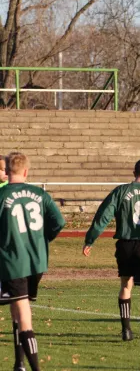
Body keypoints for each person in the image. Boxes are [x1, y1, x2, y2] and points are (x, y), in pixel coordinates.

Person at [82, 159, 140, 348]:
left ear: (134, 172)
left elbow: (103, 215)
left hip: (125, 244)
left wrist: (90, 239)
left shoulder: (121, 191)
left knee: (126, 286)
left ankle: (126, 329)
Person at [0, 152, 66, 371]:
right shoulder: (40, 193)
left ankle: (35, 368)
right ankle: (19, 363)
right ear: (26, 171)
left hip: (14, 262)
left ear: (7, 171)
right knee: (18, 309)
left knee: (24, 315)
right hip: (37, 263)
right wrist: (41, 239)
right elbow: (59, 222)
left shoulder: (2, 196)